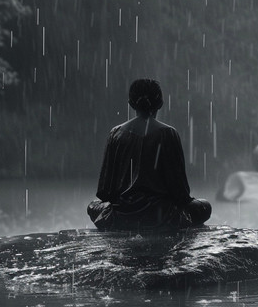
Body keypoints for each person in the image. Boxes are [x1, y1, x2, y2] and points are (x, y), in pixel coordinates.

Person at [87, 78, 211, 231]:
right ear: (160, 104)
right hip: (163, 217)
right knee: (204, 206)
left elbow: (105, 193)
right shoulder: (168, 133)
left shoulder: (116, 133)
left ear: (131, 104)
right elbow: (181, 194)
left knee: (92, 206)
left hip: (121, 218)